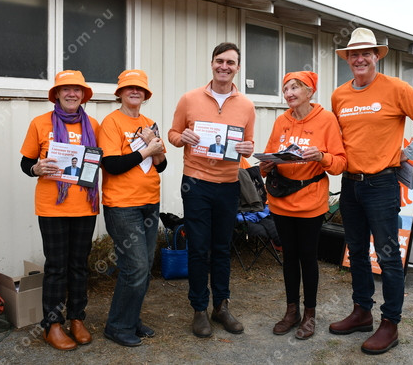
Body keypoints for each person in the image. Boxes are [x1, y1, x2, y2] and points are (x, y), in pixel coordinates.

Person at [330, 28, 413, 354]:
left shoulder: (395, 88)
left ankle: (390, 323)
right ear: (348, 59)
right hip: (350, 184)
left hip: (382, 184)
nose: (360, 59)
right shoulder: (339, 96)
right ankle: (361, 312)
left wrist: (409, 152)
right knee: (356, 251)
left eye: (365, 53)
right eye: (354, 54)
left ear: (376, 56)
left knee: (387, 255)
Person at [168, 42, 256, 338]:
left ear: (237, 68)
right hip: (196, 183)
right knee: (198, 248)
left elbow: (249, 143)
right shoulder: (189, 99)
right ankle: (199, 309)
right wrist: (182, 137)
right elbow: (172, 134)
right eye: (220, 61)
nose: (224, 66)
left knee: (221, 248)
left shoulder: (247, 105)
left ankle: (221, 306)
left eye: (230, 62)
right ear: (212, 63)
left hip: (229, 185)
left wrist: (247, 148)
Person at [259, 71, 346, 340]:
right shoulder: (281, 121)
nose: (289, 93)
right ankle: (291, 311)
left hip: (310, 201)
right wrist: (266, 165)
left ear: (310, 92)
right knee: (289, 257)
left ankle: (309, 314)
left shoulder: (326, 120)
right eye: (286, 89)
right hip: (281, 201)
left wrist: (321, 156)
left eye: (295, 88)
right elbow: (266, 163)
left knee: (308, 257)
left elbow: (340, 163)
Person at [20, 70, 100, 351]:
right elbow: (25, 163)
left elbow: (101, 160)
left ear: (83, 95)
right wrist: (36, 168)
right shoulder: (40, 123)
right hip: (51, 207)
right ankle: (52, 325)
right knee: (56, 267)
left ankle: (77, 319)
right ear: (56, 94)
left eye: (77, 89)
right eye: (65, 89)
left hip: (85, 207)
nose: (71, 94)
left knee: (79, 265)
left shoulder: (94, 125)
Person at [98, 69, 167, 347]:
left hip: (150, 202)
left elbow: (161, 165)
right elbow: (112, 165)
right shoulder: (111, 122)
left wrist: (155, 147)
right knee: (134, 266)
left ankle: (130, 319)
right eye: (129, 88)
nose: (135, 92)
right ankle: (117, 326)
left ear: (145, 94)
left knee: (145, 267)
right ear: (121, 93)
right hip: (123, 205)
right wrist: (147, 150)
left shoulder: (149, 123)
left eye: (140, 89)